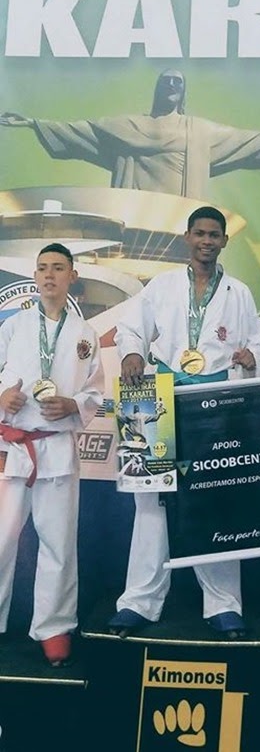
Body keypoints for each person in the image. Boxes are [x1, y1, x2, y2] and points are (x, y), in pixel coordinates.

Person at [108, 205, 260, 640]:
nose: (206, 241)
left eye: (214, 235)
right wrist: (132, 354)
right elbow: (129, 329)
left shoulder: (239, 293)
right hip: (155, 396)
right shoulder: (161, 285)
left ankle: (223, 604)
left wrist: (251, 356)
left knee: (216, 501)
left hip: (214, 400)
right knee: (151, 503)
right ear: (187, 237)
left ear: (224, 241)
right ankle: (138, 601)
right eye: (199, 233)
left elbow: (258, 343)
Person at [0, 243, 104, 666]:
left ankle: (54, 627)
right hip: (12, 446)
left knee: (58, 542)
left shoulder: (85, 334)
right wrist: (1, 396)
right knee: (1, 539)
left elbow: (95, 391)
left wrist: (73, 404)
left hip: (56, 446)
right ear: (35, 275)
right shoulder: (13, 326)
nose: (49, 275)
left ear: (72, 276)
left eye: (58, 268)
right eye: (42, 268)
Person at [0, 69, 260, 197]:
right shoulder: (125, 126)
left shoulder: (199, 131)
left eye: (178, 82)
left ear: (183, 92)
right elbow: (82, 131)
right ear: (158, 89)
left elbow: (246, 140)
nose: (172, 85)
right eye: (167, 81)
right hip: (133, 218)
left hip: (179, 219)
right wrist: (32, 123)